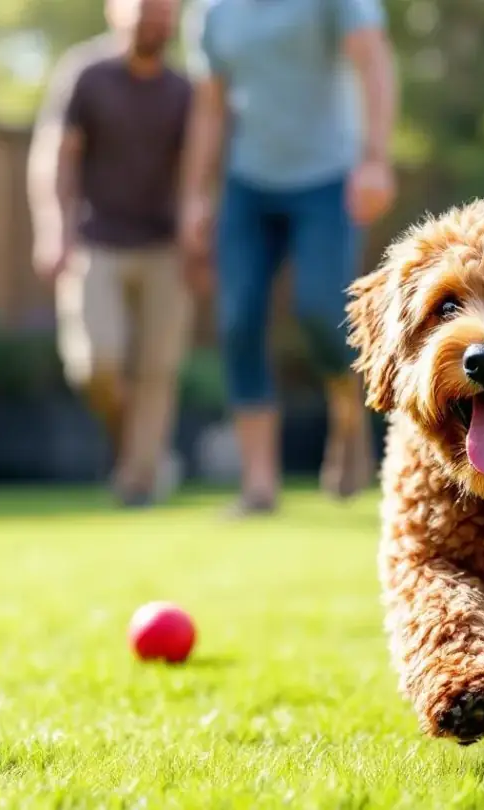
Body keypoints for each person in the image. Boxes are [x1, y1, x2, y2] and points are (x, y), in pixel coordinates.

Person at [179, 0, 398, 516]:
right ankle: (258, 485)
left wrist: (376, 158)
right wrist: (195, 193)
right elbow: (210, 106)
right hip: (248, 183)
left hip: (326, 179)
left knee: (322, 310)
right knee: (237, 321)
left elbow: (373, 60)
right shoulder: (211, 14)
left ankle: (347, 411)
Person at [27, 0, 195, 508]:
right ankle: (136, 451)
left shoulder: (183, 91)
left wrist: (197, 240)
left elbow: (196, 171)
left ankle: (137, 481)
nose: (156, 19)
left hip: (165, 247)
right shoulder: (86, 74)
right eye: (146, 8)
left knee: (156, 372)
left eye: (167, 11)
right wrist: (52, 228)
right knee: (94, 364)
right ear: (115, 10)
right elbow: (54, 154)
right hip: (96, 240)